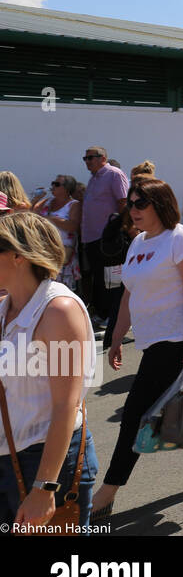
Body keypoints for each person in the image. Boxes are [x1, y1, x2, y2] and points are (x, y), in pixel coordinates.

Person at [91, 179, 183, 518]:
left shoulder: (182, 239)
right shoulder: (139, 242)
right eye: (131, 204)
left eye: (141, 203)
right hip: (151, 339)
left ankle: (107, 492)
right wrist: (116, 336)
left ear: (161, 204)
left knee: (136, 414)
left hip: (175, 339)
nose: (134, 210)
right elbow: (130, 293)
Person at [0, 212, 98, 531]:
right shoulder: (5, 308)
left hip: (44, 461)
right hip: (9, 456)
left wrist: (45, 487)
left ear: (18, 255)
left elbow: (65, 406)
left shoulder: (58, 310)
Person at [80, 147, 129, 329]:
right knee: (99, 279)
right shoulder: (94, 178)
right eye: (85, 158)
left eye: (90, 157)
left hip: (108, 238)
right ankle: (103, 314)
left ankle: (114, 317)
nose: (87, 161)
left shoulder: (114, 174)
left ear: (103, 158)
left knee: (112, 280)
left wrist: (118, 231)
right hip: (92, 238)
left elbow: (123, 203)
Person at [37, 174, 82, 289]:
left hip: (62, 252)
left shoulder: (74, 204)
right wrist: (36, 200)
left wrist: (53, 219)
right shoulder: (47, 201)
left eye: (56, 184)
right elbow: (32, 215)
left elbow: (73, 226)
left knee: (59, 287)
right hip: (44, 251)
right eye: (53, 183)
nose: (53, 186)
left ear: (67, 189)